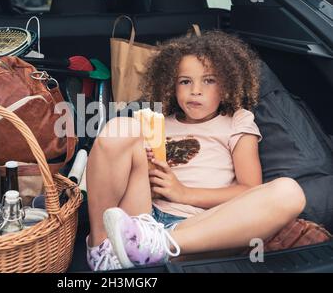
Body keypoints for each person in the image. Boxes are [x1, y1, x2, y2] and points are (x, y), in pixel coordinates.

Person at [85, 31, 306, 271]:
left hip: (197, 228)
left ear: (227, 86)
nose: (195, 90)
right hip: (144, 217)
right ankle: (102, 247)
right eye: (185, 81)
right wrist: (144, 170)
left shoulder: (237, 122)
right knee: (121, 127)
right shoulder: (158, 121)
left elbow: (250, 190)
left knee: (289, 191)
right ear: (172, 85)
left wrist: (184, 193)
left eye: (209, 80)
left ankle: (159, 246)